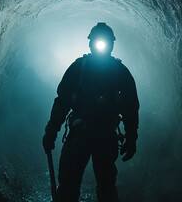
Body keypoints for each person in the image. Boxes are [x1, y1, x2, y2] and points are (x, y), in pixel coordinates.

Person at [42, 22, 140, 202]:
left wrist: (132, 136)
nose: (101, 47)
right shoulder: (79, 68)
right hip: (80, 135)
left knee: (106, 186)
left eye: (104, 43)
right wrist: (51, 131)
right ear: (90, 44)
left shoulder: (120, 72)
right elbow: (62, 101)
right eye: (97, 42)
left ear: (111, 45)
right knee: (69, 185)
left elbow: (130, 106)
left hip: (104, 136)